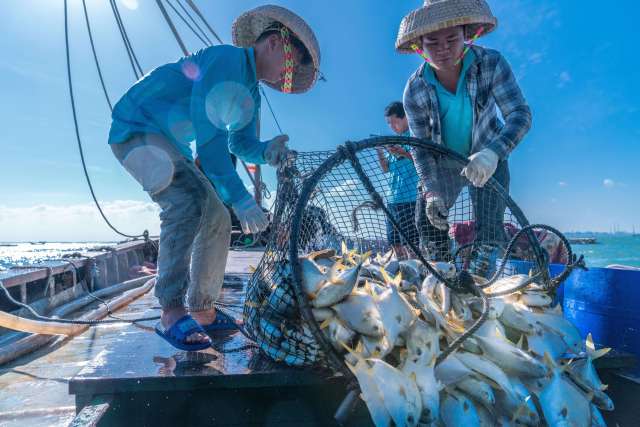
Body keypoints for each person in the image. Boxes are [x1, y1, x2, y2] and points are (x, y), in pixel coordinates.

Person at [108, 5, 321, 350]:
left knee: (218, 217)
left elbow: (241, 143)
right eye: (292, 62)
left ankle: (203, 310)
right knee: (186, 202)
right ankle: (171, 311)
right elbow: (210, 144)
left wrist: (267, 150)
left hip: (170, 144)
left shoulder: (251, 91)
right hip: (137, 127)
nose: (290, 71)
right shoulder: (227, 60)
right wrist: (241, 197)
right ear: (275, 44)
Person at [395, 0, 532, 272]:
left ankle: (483, 273)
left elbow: (519, 114)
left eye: (451, 39)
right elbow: (421, 149)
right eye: (432, 42)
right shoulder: (414, 90)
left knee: (490, 225)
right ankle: (443, 275)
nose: (443, 49)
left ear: (467, 35)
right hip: (442, 164)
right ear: (419, 46)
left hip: (487, 156)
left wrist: (494, 153)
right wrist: (431, 190)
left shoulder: (490, 63)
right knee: (428, 221)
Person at [375, 102, 420, 260]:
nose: (392, 126)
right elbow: (386, 169)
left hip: (411, 200)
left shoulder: (415, 137)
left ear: (406, 117)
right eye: (389, 123)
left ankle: (416, 274)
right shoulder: (393, 141)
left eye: (395, 122)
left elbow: (424, 162)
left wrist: (404, 153)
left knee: (411, 245)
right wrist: (380, 150)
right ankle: (401, 274)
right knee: (394, 243)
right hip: (392, 201)